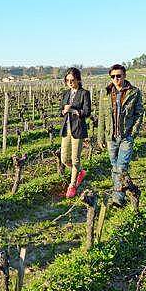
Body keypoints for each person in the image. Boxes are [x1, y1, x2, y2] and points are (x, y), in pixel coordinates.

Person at [105, 64, 144, 207]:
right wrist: (100, 137)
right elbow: (102, 116)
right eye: (113, 76)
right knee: (114, 166)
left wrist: (133, 133)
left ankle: (118, 199)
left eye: (119, 75)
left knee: (121, 167)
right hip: (111, 137)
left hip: (126, 136)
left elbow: (139, 113)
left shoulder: (134, 92)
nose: (116, 79)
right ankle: (119, 193)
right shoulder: (107, 92)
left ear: (124, 75)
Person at [59, 67, 91, 198]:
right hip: (66, 129)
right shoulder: (66, 94)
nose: (70, 82)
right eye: (67, 80)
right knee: (64, 158)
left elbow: (87, 111)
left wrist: (73, 110)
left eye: (72, 80)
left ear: (78, 79)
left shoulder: (84, 93)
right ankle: (79, 172)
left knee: (75, 159)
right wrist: (64, 111)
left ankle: (72, 185)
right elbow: (60, 111)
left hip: (77, 128)